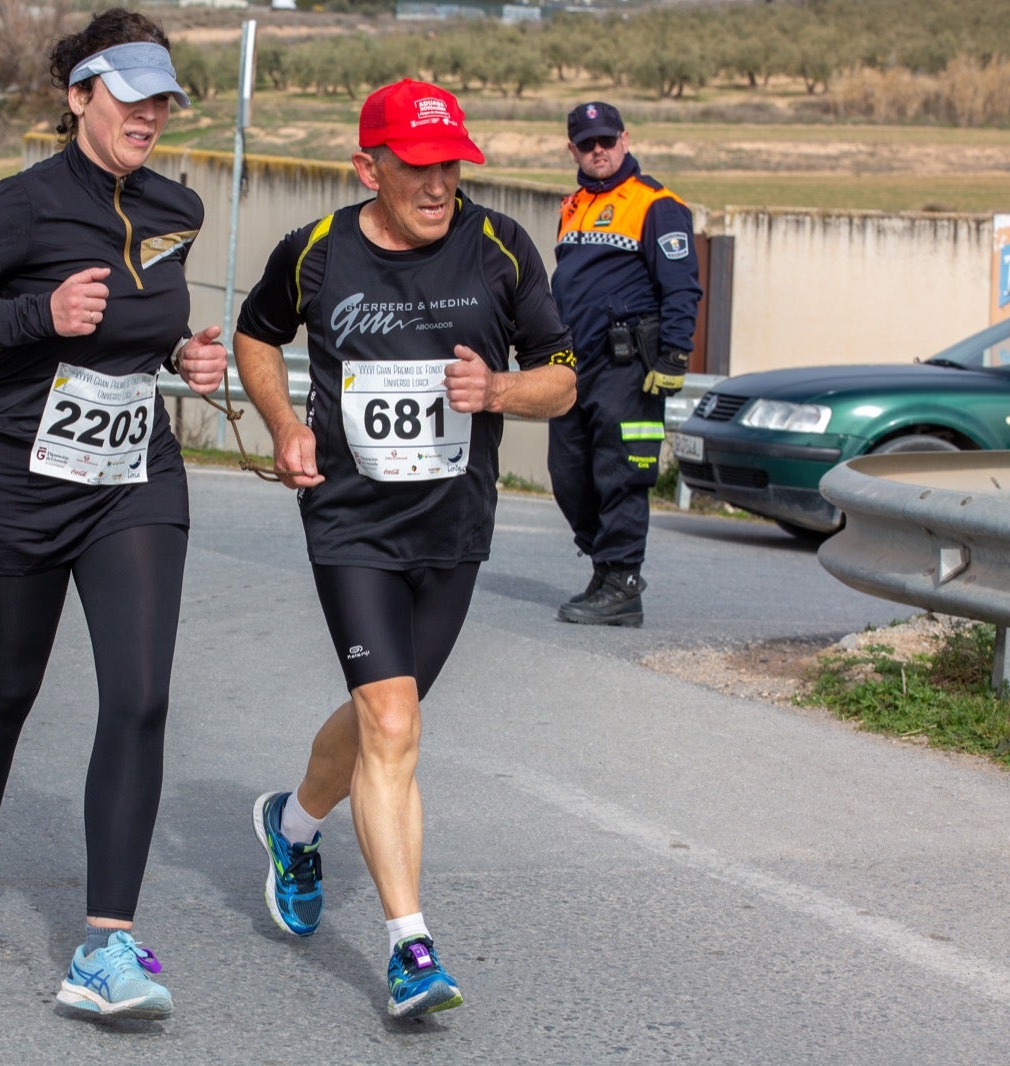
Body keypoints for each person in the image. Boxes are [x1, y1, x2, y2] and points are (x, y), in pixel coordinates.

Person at [0, 8, 226, 1022]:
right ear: (79, 95)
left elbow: (145, 323)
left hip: (133, 479)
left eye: (162, 96)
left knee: (140, 696)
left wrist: (182, 358)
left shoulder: (175, 207)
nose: (149, 114)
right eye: (129, 94)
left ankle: (106, 947)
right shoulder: (23, 206)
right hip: (16, 482)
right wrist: (36, 315)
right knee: (7, 684)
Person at [233, 78, 577, 1019]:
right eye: (419, 167)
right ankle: (410, 949)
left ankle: (293, 823)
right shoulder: (313, 251)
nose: (439, 185)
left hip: (453, 526)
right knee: (392, 726)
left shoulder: (502, 244)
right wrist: (281, 426)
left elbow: (563, 379)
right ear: (368, 166)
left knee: (393, 713)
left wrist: (500, 393)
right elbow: (255, 337)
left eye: (452, 164)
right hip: (350, 522)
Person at [547, 101, 702, 627]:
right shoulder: (572, 207)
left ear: (625, 139)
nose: (599, 151)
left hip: (628, 368)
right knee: (568, 476)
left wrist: (675, 354)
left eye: (607, 141)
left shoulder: (656, 205)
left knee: (621, 475)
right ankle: (607, 566)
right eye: (587, 144)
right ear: (572, 149)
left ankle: (621, 580)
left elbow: (682, 287)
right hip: (574, 364)